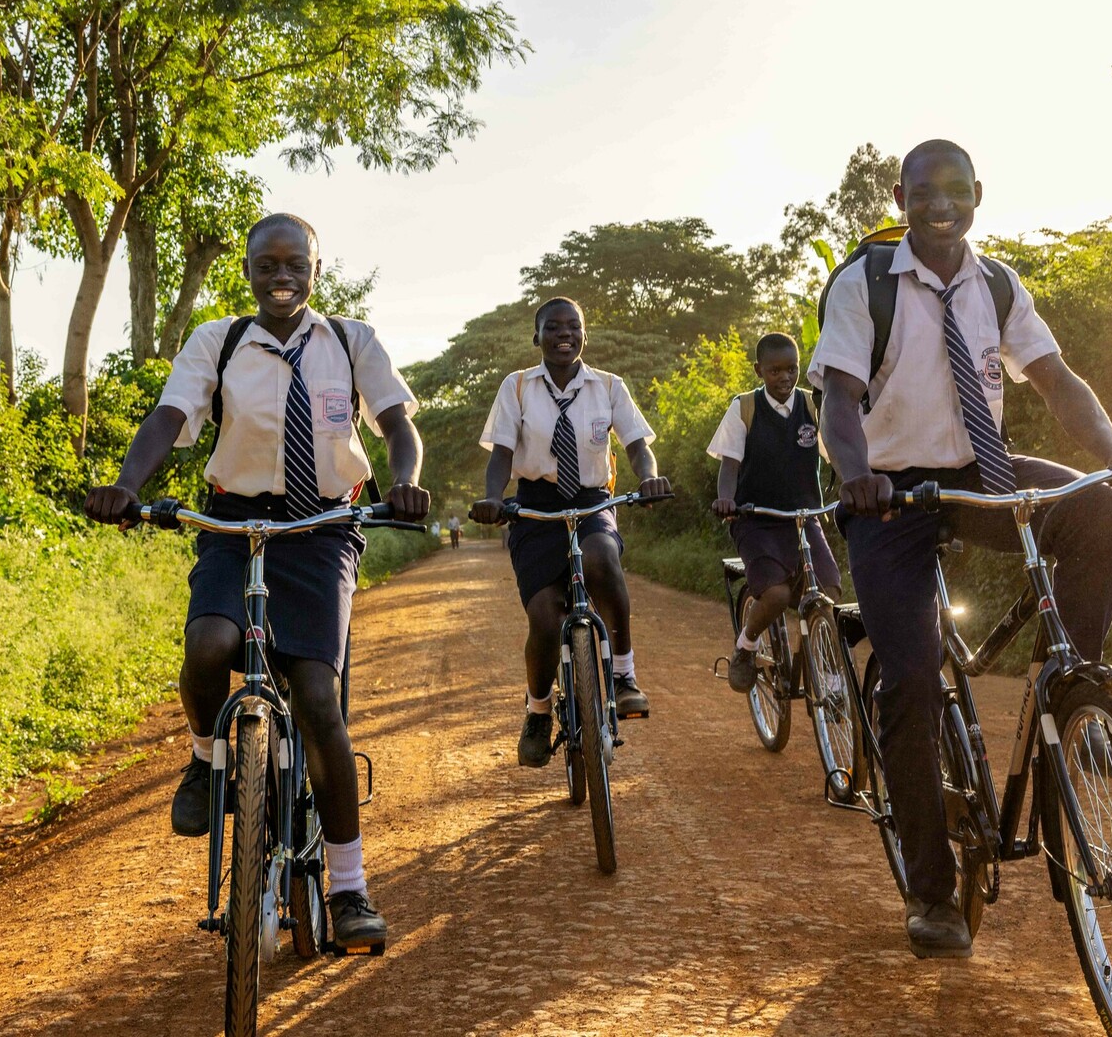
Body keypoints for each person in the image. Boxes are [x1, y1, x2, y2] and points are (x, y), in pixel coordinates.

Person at [809, 140, 1112, 960]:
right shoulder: (863, 285)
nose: (938, 204)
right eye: (921, 192)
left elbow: (1054, 378)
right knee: (909, 680)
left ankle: (1071, 695)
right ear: (899, 197)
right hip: (891, 497)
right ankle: (931, 888)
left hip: (978, 469)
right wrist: (856, 474)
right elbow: (837, 397)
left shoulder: (998, 284)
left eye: (953, 190)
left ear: (976, 193)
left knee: (1097, 514)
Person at [83, 212, 430, 951]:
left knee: (315, 700)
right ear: (245, 270)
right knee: (208, 646)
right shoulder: (220, 340)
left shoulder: (351, 340)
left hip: (323, 528)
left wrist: (405, 480)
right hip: (233, 520)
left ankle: (348, 887)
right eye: (266, 264)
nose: (281, 276)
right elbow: (169, 415)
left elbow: (398, 422)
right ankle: (209, 763)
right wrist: (123, 485)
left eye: (294, 264)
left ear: (314, 269)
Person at [468, 297, 672, 767]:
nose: (565, 334)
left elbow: (638, 445)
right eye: (553, 327)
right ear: (535, 337)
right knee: (544, 617)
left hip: (592, 501)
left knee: (603, 561)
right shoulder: (516, 387)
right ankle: (538, 711)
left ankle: (623, 674)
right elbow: (500, 453)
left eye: (574, 327)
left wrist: (649, 476)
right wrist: (495, 498)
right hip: (534, 509)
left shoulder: (609, 386)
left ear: (585, 334)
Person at [706, 332, 841, 692]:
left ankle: (822, 663)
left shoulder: (812, 407)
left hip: (804, 516)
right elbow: (730, 465)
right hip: (757, 519)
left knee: (828, 588)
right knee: (778, 595)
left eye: (792, 369)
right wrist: (726, 499)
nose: (784, 377)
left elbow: (837, 454)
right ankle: (746, 645)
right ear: (759, 371)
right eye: (775, 370)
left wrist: (856, 482)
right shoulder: (745, 408)